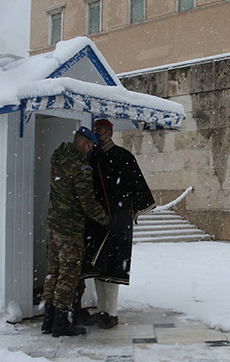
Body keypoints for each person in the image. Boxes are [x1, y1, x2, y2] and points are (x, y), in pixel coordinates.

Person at [80, 118, 156, 329]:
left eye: (102, 130)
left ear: (110, 132)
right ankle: (101, 308)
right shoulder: (92, 157)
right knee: (97, 264)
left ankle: (111, 312)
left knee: (113, 265)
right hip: (96, 221)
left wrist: (132, 211)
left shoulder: (123, 156)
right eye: (96, 130)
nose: (98, 133)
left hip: (118, 220)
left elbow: (137, 186)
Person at [41, 126, 110, 338]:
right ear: (84, 144)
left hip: (54, 225)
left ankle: (49, 318)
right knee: (68, 274)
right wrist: (105, 220)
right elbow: (87, 202)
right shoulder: (81, 165)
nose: (92, 151)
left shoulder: (58, 156)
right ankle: (61, 322)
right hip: (70, 229)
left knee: (53, 271)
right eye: (91, 147)